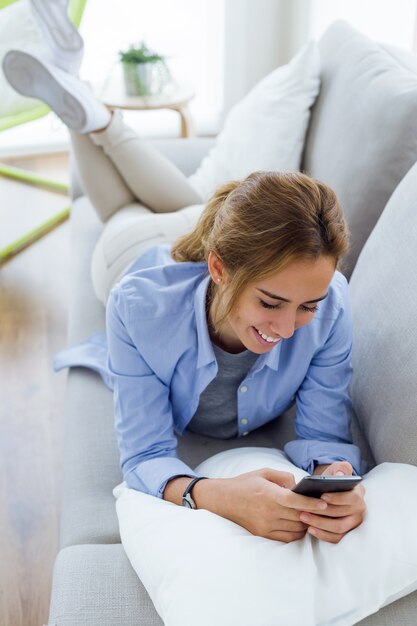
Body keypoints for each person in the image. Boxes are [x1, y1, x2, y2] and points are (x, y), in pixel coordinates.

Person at [3, 0, 366, 545]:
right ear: (218, 267)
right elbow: (145, 455)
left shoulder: (330, 302)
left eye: (306, 306)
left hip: (206, 228)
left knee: (197, 204)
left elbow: (324, 434)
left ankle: (86, 104)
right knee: (124, 211)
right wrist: (215, 496)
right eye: (271, 303)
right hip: (132, 252)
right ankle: (87, 106)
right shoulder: (137, 305)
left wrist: (337, 479)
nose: (290, 329)